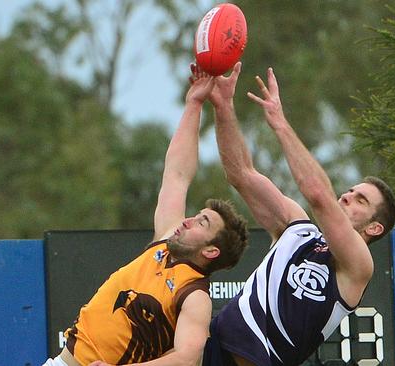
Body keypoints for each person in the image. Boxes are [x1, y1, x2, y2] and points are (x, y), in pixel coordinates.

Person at [42, 64, 249, 366]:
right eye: (196, 214)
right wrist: (194, 103)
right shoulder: (165, 241)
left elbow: (187, 358)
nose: (188, 220)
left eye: (201, 222)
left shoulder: (195, 296)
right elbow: (177, 174)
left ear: (211, 250)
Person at [202, 62, 395, 366]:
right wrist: (223, 105)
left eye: (361, 199)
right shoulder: (297, 226)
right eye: (350, 190)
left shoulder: (358, 265)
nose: (347, 196)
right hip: (211, 346)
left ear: (374, 228)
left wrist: (279, 123)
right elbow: (240, 173)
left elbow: (318, 195)